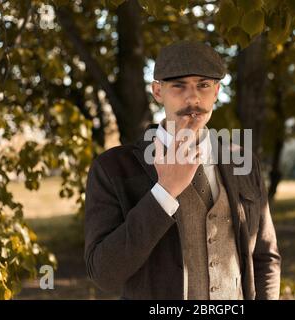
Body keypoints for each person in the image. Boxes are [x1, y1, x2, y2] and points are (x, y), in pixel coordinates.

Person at [84, 40, 281, 300]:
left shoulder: (242, 161)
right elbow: (104, 274)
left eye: (203, 85)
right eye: (178, 86)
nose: (193, 98)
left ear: (217, 91)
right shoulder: (113, 169)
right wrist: (164, 192)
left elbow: (265, 257)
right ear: (157, 91)